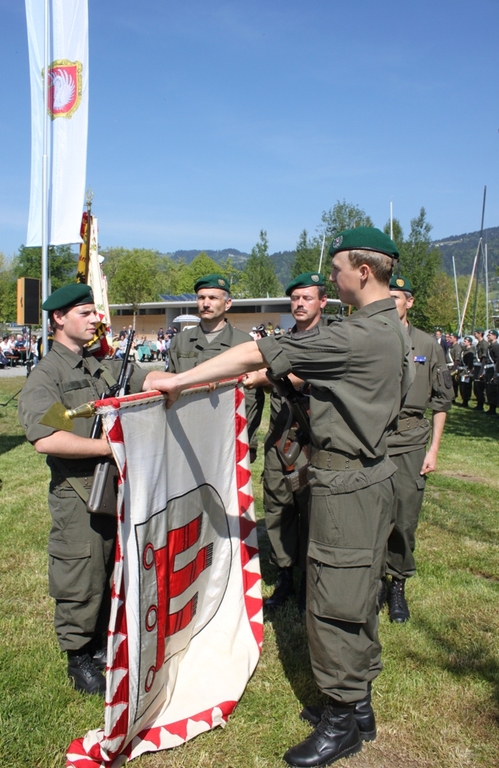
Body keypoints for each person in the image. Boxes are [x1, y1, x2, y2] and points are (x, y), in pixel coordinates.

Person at [143, 228, 413, 766]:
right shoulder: (389, 328)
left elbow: (256, 352)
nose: (331, 278)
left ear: (363, 271)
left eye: (336, 270)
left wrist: (180, 381)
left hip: (346, 483)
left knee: (334, 602)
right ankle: (359, 705)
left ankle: (342, 720)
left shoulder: (358, 334)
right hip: (369, 477)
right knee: (357, 592)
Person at [18, 284, 147, 695]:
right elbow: (47, 438)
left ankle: (103, 643)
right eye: (86, 313)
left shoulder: (97, 365)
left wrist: (192, 380)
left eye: (95, 312)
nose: (96, 319)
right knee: (82, 571)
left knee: (112, 565)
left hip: (112, 484)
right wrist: (108, 447)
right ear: (59, 318)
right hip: (77, 492)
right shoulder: (48, 375)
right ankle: (79, 655)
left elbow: (148, 380)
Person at [244, 273, 327, 613]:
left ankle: (311, 578)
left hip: (316, 440)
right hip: (280, 439)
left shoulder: (333, 338)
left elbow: (309, 372)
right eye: (295, 298)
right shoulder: (279, 342)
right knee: (278, 506)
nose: (300, 304)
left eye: (307, 297)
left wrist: (267, 376)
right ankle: (285, 575)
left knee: (312, 509)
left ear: (322, 301)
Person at [381, 275, 453, 623]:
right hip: (373, 438)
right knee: (370, 517)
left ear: (409, 302)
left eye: (396, 297)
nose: (390, 302)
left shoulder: (427, 344)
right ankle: (371, 582)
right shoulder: (374, 338)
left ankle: (397, 584)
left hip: (410, 440)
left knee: (404, 518)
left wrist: (433, 449)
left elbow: (441, 400)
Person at [167, 274, 263, 460]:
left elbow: (252, 398)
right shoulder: (181, 341)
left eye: (213, 298)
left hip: (228, 439)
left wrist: (248, 441)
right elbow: (169, 385)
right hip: (186, 434)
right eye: (201, 298)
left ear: (227, 304)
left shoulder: (244, 343)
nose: (206, 303)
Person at [472, 328, 489, 410]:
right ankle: (479, 403)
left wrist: (481, 371)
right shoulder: (479, 344)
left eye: (476, 333)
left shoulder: (484, 344)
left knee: (480, 386)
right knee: (476, 387)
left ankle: (481, 404)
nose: (475, 334)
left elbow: (484, 358)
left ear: (480, 333)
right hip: (477, 366)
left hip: (481, 367)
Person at [485, 330, 499, 415]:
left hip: (494, 369)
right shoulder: (490, 346)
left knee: (493, 389)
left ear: (495, 336)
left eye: (490, 335)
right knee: (489, 389)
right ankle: (491, 407)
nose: (488, 336)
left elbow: (497, 361)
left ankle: (493, 408)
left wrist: (495, 373)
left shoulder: (496, 347)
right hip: (489, 369)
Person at [459, 337, 476, 407]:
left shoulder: (471, 351)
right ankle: (463, 399)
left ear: (469, 342)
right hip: (463, 370)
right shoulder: (464, 351)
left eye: (465, 341)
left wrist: (469, 371)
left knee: (467, 386)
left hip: (467, 370)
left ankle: (465, 401)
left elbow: (470, 362)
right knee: (462, 386)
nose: (463, 342)